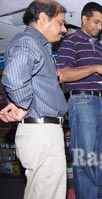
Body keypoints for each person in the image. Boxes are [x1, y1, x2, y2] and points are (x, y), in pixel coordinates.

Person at [0, 1, 68, 199]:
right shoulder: (28, 41)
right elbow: (13, 76)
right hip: (42, 133)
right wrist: (23, 104)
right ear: (43, 18)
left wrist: (23, 101)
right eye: (61, 23)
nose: (64, 29)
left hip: (44, 132)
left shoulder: (41, 46)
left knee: (44, 192)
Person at [56, 2, 102, 199]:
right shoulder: (71, 41)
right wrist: (95, 68)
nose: (100, 27)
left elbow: (96, 75)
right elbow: (62, 74)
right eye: (96, 22)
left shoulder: (98, 45)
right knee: (86, 159)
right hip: (82, 103)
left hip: (101, 102)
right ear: (84, 19)